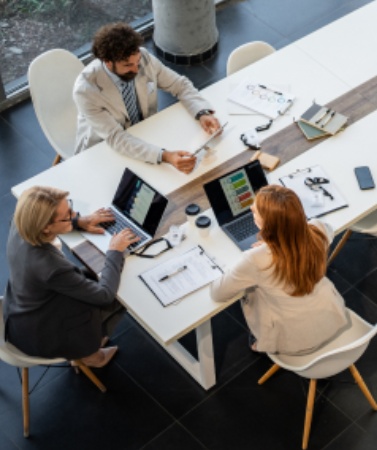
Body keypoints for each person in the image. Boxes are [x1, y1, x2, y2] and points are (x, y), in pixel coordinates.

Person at [3, 186, 140, 368]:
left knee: (96, 274)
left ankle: (88, 343)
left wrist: (77, 222)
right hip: (41, 333)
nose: (74, 213)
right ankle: (89, 354)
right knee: (123, 295)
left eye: (70, 208)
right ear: (46, 227)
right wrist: (114, 251)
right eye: (68, 214)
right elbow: (104, 295)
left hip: (21, 310)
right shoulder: (50, 266)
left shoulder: (20, 223)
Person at [210, 185, 349, 355]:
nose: (251, 207)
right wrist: (278, 241)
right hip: (331, 321)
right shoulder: (318, 229)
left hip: (293, 342)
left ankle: (261, 343)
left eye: (256, 210)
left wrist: (265, 247)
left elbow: (218, 293)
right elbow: (327, 231)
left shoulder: (255, 259)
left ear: (268, 223)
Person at [73, 22, 221, 174]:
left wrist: (202, 112)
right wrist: (164, 156)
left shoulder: (143, 57)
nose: (137, 69)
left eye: (137, 62)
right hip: (104, 150)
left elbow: (179, 84)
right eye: (128, 65)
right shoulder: (86, 90)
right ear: (108, 62)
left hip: (145, 134)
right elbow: (116, 138)